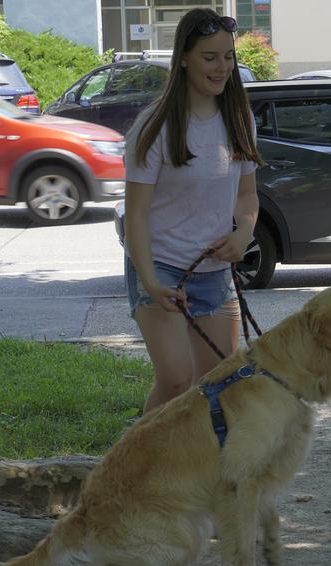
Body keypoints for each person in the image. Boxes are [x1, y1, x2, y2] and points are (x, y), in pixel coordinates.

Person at [124, 8, 262, 413]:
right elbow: (135, 216)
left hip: (214, 274)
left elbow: (247, 196)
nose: (222, 67)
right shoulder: (154, 126)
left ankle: (197, 454)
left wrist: (244, 232)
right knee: (176, 381)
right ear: (184, 58)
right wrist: (150, 282)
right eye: (210, 57)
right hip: (161, 268)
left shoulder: (239, 119)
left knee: (219, 385)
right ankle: (137, 451)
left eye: (228, 57)